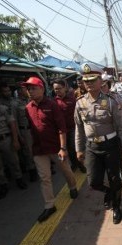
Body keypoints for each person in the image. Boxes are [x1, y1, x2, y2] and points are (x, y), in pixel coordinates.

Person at [75, 63, 122, 224]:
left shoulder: (111, 101)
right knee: (93, 182)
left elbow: (121, 127)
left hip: (111, 145)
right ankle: (110, 193)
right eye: (86, 80)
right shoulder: (79, 103)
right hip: (92, 147)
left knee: (115, 179)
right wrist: (79, 149)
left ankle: (117, 207)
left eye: (92, 80)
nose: (89, 83)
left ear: (101, 81)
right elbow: (79, 128)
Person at [23, 77, 79, 223]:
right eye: (28, 89)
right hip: (39, 150)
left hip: (56, 148)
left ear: (42, 89)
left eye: (33, 88)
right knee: (44, 178)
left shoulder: (52, 105)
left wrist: (63, 148)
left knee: (66, 170)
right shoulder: (27, 108)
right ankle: (50, 205)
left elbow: (62, 128)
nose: (30, 91)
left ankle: (72, 186)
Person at [52, 78, 86, 173]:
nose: (57, 91)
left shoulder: (72, 100)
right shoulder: (53, 102)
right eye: (55, 89)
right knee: (67, 149)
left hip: (72, 129)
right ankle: (74, 164)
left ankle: (80, 164)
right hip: (61, 131)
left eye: (59, 88)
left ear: (65, 88)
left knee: (75, 148)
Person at [15, 83, 38, 182]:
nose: (29, 91)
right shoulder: (15, 104)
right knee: (28, 152)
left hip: (36, 129)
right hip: (25, 130)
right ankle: (32, 171)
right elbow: (14, 121)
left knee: (39, 148)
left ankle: (45, 167)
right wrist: (19, 136)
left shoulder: (34, 100)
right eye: (26, 89)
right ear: (20, 91)